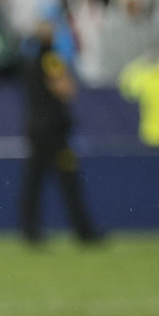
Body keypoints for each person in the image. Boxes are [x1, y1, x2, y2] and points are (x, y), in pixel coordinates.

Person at [20, 21, 102, 245]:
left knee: (33, 182)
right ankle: (84, 232)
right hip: (53, 132)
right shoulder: (51, 60)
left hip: (36, 130)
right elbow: (66, 90)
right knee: (69, 181)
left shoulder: (30, 62)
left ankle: (30, 232)